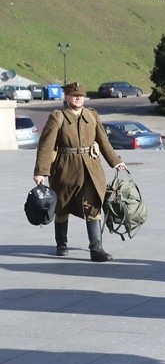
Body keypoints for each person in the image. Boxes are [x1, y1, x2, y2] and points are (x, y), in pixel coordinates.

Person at [33, 82, 126, 262]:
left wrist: (115, 161)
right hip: (64, 169)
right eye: (74, 95)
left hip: (91, 168)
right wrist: (41, 171)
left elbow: (103, 141)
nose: (78, 98)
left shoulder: (92, 115)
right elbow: (45, 146)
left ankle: (96, 248)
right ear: (66, 97)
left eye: (81, 95)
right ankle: (61, 244)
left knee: (93, 206)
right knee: (61, 208)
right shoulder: (57, 117)